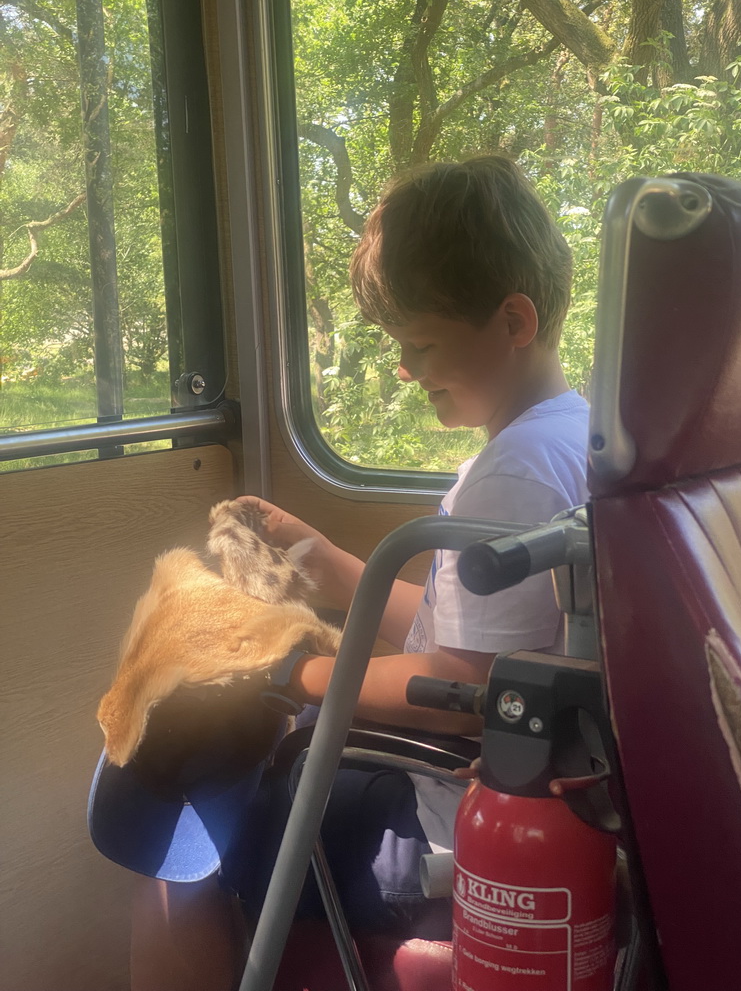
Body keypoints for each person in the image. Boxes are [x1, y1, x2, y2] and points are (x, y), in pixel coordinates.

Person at [93, 154, 589, 991]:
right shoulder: (570, 435)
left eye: (421, 344)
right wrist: (318, 559)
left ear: (514, 320)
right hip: (485, 794)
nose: (405, 369)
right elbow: (454, 630)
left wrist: (285, 670)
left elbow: (471, 691)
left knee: (181, 826)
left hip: (437, 826)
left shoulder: (513, 474)